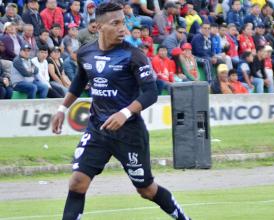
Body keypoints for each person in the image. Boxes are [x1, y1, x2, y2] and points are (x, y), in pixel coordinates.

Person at [51, 3, 191, 220]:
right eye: (115, 23)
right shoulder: (86, 53)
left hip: (129, 133)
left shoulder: (133, 55)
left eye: (123, 22)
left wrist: (124, 113)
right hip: (98, 130)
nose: (122, 28)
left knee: (146, 189)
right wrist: (62, 108)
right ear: (97, 27)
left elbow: (150, 93)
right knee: (77, 182)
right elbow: (79, 82)